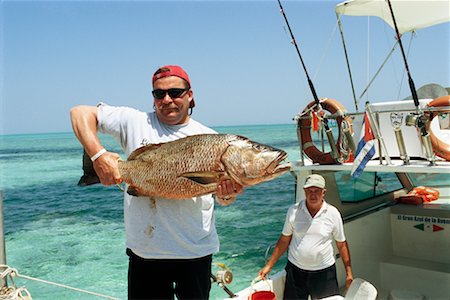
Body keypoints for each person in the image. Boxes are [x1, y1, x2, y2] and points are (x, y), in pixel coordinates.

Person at [70, 65, 243, 300]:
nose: (167, 99)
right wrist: (98, 157)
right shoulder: (135, 121)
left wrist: (227, 194)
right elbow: (79, 113)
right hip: (146, 254)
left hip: (195, 253)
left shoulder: (211, 139)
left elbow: (222, 198)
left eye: (175, 92)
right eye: (159, 94)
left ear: (190, 95)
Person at [258, 174, 353, 300]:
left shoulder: (333, 213)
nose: (313, 195)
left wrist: (349, 273)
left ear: (323, 192)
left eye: (317, 191)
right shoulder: (293, 211)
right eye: (309, 191)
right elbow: (284, 240)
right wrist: (269, 266)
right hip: (296, 272)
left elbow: (341, 244)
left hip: (324, 272)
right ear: (304, 191)